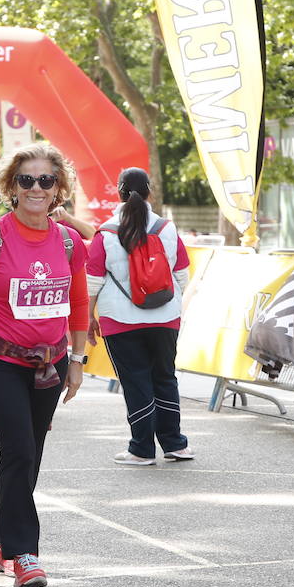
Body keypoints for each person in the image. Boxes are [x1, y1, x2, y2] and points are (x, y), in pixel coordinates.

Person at [0, 142, 89, 587]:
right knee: (19, 451)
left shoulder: (69, 242)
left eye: (45, 180)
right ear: (12, 187)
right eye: (26, 179)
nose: (36, 188)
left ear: (58, 189)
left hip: (50, 363)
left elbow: (79, 304)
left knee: (29, 458)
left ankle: (1, 540)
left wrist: (78, 360)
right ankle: (24, 555)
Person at [87, 167, 193, 466]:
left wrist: (88, 317)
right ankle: (176, 445)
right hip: (165, 317)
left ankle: (141, 449)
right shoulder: (166, 228)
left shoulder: (106, 232)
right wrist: (172, 306)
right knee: (165, 378)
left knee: (136, 382)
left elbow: (92, 281)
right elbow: (182, 275)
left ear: (119, 192)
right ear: (150, 191)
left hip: (119, 320)